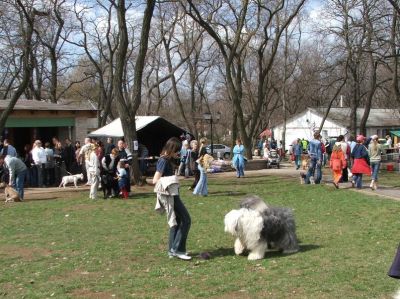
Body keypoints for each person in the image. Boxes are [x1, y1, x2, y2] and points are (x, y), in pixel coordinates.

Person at [152, 137, 191, 261]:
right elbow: (155, 180)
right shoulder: (163, 160)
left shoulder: (167, 160)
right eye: (177, 150)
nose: (178, 153)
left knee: (176, 222)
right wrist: (172, 179)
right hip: (170, 196)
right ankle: (178, 250)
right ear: (171, 149)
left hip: (173, 194)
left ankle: (172, 251)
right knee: (186, 220)